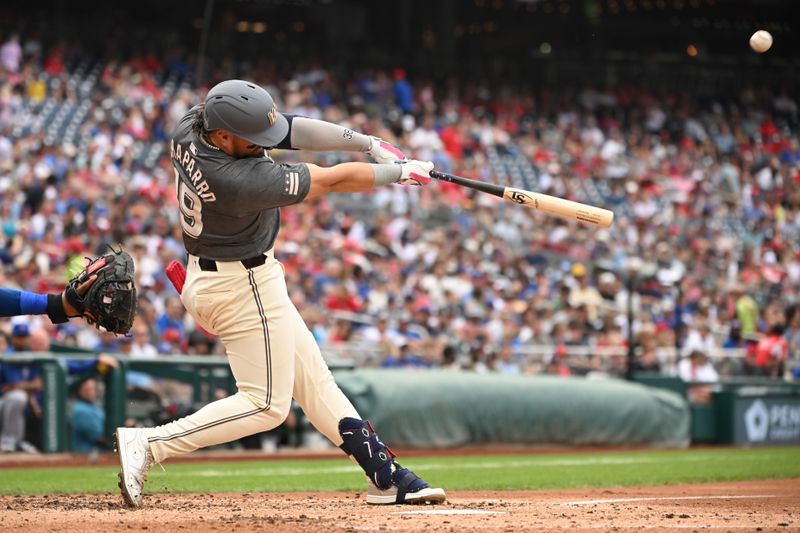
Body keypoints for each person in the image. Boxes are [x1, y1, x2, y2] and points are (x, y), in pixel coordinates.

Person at [115, 79, 445, 508]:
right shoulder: (239, 179)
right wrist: (397, 173)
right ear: (223, 137)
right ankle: (149, 443)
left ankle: (385, 475)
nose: (263, 145)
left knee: (314, 381)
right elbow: (328, 181)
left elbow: (292, 129)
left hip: (226, 276)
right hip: (240, 284)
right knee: (267, 405)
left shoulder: (192, 125)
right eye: (253, 141)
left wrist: (368, 143)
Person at [70, 378, 108, 452]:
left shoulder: (94, 406)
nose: (90, 392)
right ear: (79, 391)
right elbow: (100, 438)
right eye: (86, 389)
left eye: (92, 389)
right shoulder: (80, 409)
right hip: (85, 457)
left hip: (98, 455)